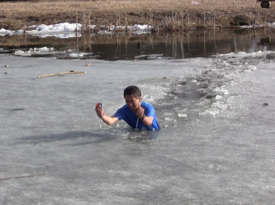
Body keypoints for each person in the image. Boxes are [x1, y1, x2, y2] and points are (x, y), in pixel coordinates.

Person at [95, 85, 160, 131]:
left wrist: (142, 116)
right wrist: (102, 116)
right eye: (127, 101)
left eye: (132, 101)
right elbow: (111, 120)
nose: (130, 104)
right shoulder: (124, 110)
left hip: (154, 135)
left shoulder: (148, 107)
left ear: (139, 98)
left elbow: (149, 123)